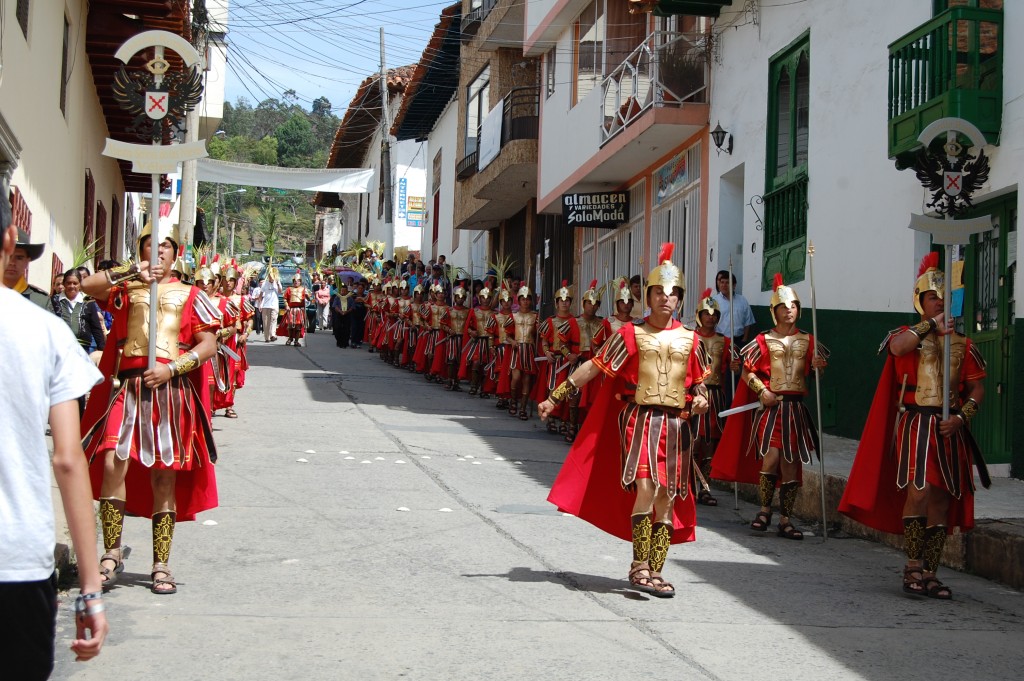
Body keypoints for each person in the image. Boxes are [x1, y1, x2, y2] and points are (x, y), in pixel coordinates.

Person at [543, 244, 710, 598]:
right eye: (660, 292)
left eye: (674, 293)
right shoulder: (630, 334)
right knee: (646, 489)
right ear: (647, 296)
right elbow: (593, 366)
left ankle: (656, 568)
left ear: (680, 298)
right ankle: (638, 566)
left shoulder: (692, 339)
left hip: (677, 426)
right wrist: (556, 395)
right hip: (641, 421)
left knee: (667, 497)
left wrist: (702, 401)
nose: (667, 298)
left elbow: (699, 383)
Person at [1, 186, 109, 676]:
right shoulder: (43, 329)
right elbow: (68, 459)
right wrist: (90, 590)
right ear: (8, 238)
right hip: (15, 556)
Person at [80, 224, 220, 596]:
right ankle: (110, 554)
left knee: (164, 476)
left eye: (164, 246)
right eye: (149, 244)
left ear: (175, 254)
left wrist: (172, 368)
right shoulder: (126, 288)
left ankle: (161, 563)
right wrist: (130, 271)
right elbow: (87, 286)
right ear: (140, 249)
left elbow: (208, 344)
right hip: (127, 387)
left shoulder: (191, 294)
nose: (157, 250)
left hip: (170, 390)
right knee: (113, 461)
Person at [839, 252, 988, 600]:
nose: (938, 301)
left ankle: (932, 572)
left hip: (948, 425)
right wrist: (931, 326)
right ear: (920, 300)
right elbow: (896, 348)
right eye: (932, 296)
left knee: (941, 500)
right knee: (918, 492)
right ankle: (912, 566)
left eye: (942, 296)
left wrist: (962, 416)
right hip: (916, 423)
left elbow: (978, 388)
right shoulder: (908, 334)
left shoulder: (964, 344)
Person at [712, 273, 828, 540]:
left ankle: (786, 518)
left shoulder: (809, 340)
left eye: (793, 306)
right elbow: (746, 373)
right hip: (772, 408)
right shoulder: (763, 340)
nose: (789, 311)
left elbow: (816, 375)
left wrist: (819, 369)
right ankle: (764, 510)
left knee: (790, 463)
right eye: (784, 307)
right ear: (774, 311)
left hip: (795, 409)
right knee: (772, 458)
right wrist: (762, 391)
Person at [690, 289, 739, 506]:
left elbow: (735, 367)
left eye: (714, 314)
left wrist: (737, 366)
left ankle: (706, 487)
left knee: (710, 443)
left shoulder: (725, 341)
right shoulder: (689, 338)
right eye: (707, 313)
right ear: (699, 314)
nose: (711, 317)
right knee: (693, 441)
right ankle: (689, 485)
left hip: (716, 396)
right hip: (694, 395)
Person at [536, 280, 582, 437]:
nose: (564, 303)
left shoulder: (574, 321)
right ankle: (551, 420)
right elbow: (544, 340)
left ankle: (564, 421)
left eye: (567, 300)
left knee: (568, 389)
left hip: (568, 360)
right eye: (561, 300)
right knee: (553, 387)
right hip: (554, 360)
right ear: (556, 303)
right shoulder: (550, 321)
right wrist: (547, 352)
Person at [508, 282, 539, 420]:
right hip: (517, 349)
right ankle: (513, 400)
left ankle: (523, 408)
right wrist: (512, 341)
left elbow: (541, 335)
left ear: (531, 301)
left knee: (527, 380)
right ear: (518, 300)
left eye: (528, 299)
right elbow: (506, 335)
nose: (525, 301)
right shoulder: (513, 316)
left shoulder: (535, 316)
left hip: (529, 349)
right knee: (516, 378)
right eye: (523, 299)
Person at [3, 225, 48, 307]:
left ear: (28, 261)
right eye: (8, 256)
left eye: (19, 258)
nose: (12, 262)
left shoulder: (42, 302)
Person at [283, 273, 310, 347]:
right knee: (290, 325)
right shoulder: (289, 289)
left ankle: (296, 341)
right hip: (291, 310)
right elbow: (285, 299)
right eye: (295, 281)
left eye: (298, 281)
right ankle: (290, 338)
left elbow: (308, 300)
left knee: (298, 326)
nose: (296, 282)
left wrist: (307, 296)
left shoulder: (303, 289)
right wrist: (287, 305)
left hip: (299, 310)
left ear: (300, 282)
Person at [259, 269, 282, 342]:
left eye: (271, 276)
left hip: (274, 305)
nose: (270, 277)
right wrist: (260, 304)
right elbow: (261, 294)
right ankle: (267, 337)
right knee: (266, 322)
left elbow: (280, 291)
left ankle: (272, 334)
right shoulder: (265, 283)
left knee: (273, 319)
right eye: (269, 276)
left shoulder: (277, 283)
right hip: (265, 305)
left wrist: (278, 283)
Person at [332, 281, 354, 348]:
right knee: (338, 328)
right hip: (339, 315)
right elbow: (335, 306)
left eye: (345, 291)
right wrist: (340, 311)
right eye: (342, 291)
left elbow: (352, 307)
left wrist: (347, 311)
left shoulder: (350, 298)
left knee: (346, 329)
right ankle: (339, 341)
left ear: (347, 291)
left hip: (347, 315)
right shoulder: (337, 297)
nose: (343, 292)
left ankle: (345, 343)